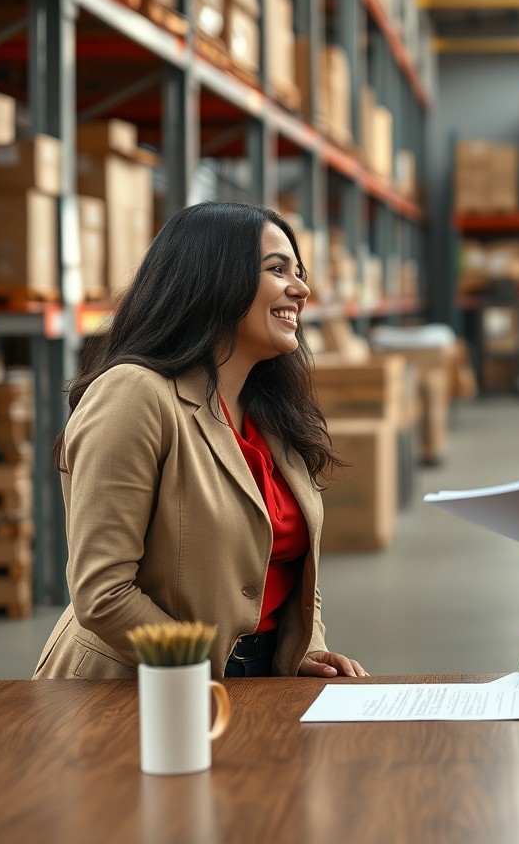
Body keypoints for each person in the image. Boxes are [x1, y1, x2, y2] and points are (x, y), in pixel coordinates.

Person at [35, 201, 368, 680]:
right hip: (136, 686)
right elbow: (102, 592)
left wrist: (304, 647)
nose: (301, 288)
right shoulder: (135, 395)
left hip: (258, 679)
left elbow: (288, 566)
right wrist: (205, 673)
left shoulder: (273, 415)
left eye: (300, 272)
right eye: (278, 270)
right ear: (215, 279)